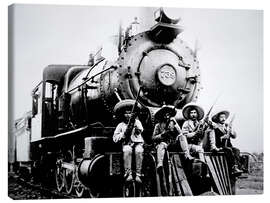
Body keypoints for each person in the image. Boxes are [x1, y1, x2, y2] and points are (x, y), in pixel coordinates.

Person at [113, 99, 144, 183]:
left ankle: (138, 174)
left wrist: (134, 127)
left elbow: (140, 130)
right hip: (127, 144)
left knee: (139, 151)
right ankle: (128, 173)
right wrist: (123, 135)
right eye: (126, 113)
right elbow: (115, 137)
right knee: (127, 150)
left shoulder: (137, 122)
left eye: (130, 113)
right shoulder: (121, 125)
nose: (128, 115)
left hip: (137, 144)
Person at [205, 110, 243, 176]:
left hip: (228, 146)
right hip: (220, 147)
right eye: (221, 117)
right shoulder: (214, 127)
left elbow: (234, 136)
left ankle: (237, 167)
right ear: (218, 119)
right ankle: (233, 168)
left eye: (224, 117)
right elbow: (212, 139)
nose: (223, 119)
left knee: (236, 150)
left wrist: (230, 130)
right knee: (229, 150)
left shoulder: (226, 127)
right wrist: (214, 147)